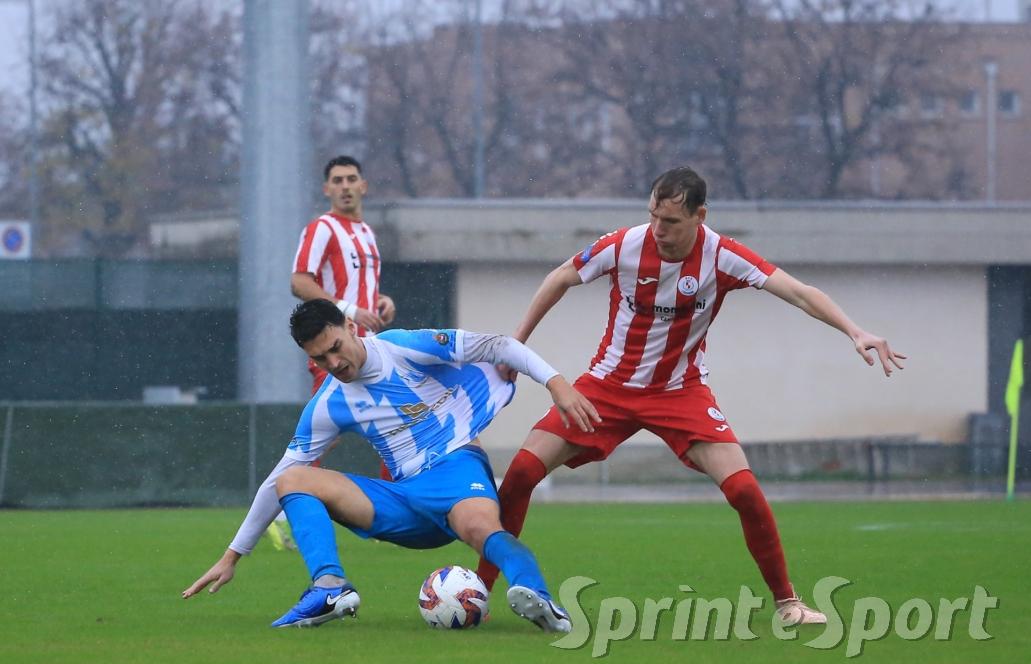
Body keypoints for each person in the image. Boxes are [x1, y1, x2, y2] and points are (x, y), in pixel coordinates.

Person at [475, 166, 906, 625]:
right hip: (607, 388)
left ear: (700, 216)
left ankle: (788, 604)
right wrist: (515, 346)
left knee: (744, 490)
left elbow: (799, 293)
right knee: (521, 473)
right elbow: (561, 277)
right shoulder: (623, 245)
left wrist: (854, 331)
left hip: (681, 393)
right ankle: (478, 592)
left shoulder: (722, 256)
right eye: (653, 216)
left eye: (671, 221)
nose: (658, 230)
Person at [183, 298, 600, 631]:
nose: (333, 364)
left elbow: (499, 346)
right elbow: (274, 482)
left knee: (480, 528)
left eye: (335, 348)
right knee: (292, 480)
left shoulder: (403, 346)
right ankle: (329, 586)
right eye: (320, 359)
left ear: (351, 327)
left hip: (455, 468)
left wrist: (556, 384)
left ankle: (536, 595)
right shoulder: (329, 403)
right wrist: (232, 556)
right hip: (402, 501)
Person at [266, 155, 397, 550]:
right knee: (321, 436)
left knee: (395, 420)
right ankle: (279, 510)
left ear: (363, 186)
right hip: (335, 351)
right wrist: (349, 310)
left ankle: (391, 515)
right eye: (337, 180)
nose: (345, 186)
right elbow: (299, 282)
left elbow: (361, 289)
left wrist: (381, 302)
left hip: (366, 350)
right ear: (327, 189)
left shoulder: (367, 233)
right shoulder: (322, 228)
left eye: (351, 179)